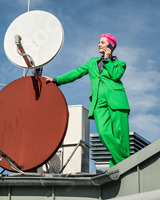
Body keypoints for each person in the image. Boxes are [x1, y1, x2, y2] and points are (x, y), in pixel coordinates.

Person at [43, 33, 130, 167]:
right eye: (99, 42)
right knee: (104, 133)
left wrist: (107, 59)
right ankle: (126, 162)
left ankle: (117, 165)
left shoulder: (120, 64)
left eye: (102, 42)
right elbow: (76, 72)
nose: (99, 44)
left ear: (111, 46)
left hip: (117, 101)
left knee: (120, 136)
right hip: (99, 103)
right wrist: (56, 80)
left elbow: (115, 76)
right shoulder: (92, 62)